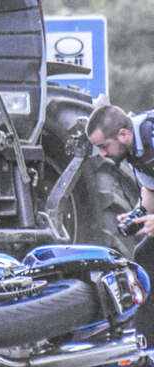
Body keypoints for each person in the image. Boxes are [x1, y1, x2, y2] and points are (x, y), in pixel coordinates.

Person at [86, 104, 154, 348]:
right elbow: (150, 187)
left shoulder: (150, 136)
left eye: (104, 146)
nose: (102, 154)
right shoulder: (135, 150)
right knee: (144, 255)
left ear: (123, 135)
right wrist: (138, 214)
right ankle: (146, 344)